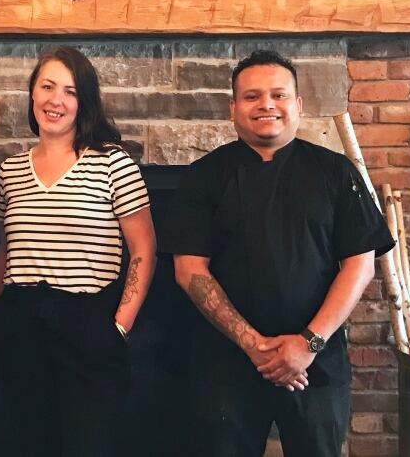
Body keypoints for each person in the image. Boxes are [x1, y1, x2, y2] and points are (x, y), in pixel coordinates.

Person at [159, 50, 394, 457]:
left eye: (278, 95)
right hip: (225, 363)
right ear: (233, 108)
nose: (266, 104)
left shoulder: (335, 172)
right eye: (251, 97)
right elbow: (188, 270)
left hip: (316, 362)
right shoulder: (203, 177)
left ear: (298, 105)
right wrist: (254, 346)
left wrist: (306, 344)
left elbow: (360, 266)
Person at [0, 46, 156, 457]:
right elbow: (8, 243)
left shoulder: (113, 164)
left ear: (85, 102)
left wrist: (120, 325)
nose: (55, 100)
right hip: (20, 321)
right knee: (28, 442)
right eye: (47, 87)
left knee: (89, 444)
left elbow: (144, 249)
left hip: (89, 321)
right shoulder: (11, 171)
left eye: (70, 91)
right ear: (32, 94)